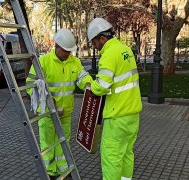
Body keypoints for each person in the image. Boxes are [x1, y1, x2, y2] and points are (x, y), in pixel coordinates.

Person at [26, 28, 93, 179]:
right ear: (57, 47)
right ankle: (50, 172)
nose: (69, 54)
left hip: (65, 113)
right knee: (48, 144)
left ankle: (63, 171)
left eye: (70, 51)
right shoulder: (43, 61)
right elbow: (30, 84)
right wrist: (47, 101)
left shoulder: (74, 62)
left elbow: (83, 77)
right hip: (47, 113)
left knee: (64, 143)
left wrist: (89, 85)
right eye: (66, 51)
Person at [87, 17, 142, 180]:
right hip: (132, 114)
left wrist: (91, 86)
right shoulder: (125, 49)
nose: (95, 47)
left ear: (102, 38)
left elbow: (102, 86)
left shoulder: (109, 54)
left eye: (94, 43)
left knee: (111, 157)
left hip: (116, 115)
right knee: (126, 153)